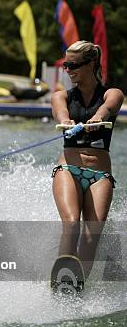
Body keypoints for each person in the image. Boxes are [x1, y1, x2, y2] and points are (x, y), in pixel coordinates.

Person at [50, 40, 124, 278]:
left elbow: (110, 106)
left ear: (91, 64)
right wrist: (67, 120)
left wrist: (99, 115)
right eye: (66, 65)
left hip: (99, 175)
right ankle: (63, 278)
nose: (68, 70)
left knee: (92, 235)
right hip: (68, 169)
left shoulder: (112, 93)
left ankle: (77, 284)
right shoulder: (61, 96)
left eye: (73, 65)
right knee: (71, 225)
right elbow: (60, 111)